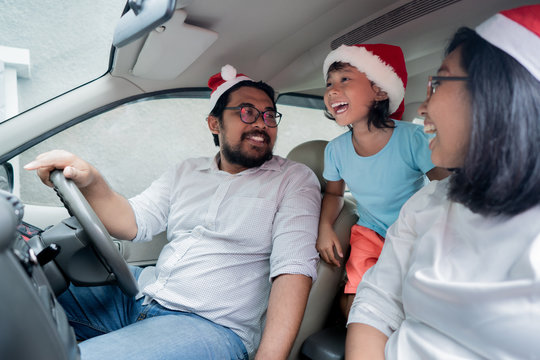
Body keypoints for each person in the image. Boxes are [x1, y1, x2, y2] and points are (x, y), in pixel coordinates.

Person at [24, 65, 322, 360]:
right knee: (19, 291)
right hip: (138, 295)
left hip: (209, 326)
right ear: (214, 124)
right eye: (247, 112)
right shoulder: (187, 170)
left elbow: (292, 269)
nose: (261, 123)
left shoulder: (294, 179)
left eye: (269, 115)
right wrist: (90, 180)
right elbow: (133, 221)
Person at [346, 4, 540, 359]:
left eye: (438, 82)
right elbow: (377, 304)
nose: (422, 107)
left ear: (498, 96)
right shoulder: (428, 202)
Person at [316, 43, 448, 316]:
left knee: (414, 303)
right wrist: (325, 227)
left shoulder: (413, 138)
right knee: (358, 307)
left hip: (415, 233)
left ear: (379, 90)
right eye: (329, 83)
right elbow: (334, 194)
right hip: (370, 233)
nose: (332, 89)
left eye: (344, 79)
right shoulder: (336, 150)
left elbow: (446, 188)